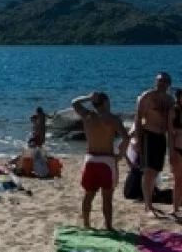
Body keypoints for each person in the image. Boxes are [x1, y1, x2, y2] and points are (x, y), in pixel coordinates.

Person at [72, 92, 128, 230]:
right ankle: (108, 226)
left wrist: (87, 97)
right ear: (106, 102)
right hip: (107, 160)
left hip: (90, 158)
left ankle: (86, 224)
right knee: (107, 196)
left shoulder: (87, 116)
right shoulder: (113, 119)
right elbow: (126, 138)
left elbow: (74, 102)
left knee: (89, 194)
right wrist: (121, 153)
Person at [133, 72, 174, 215]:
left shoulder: (170, 100)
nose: (160, 84)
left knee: (155, 171)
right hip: (148, 135)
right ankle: (148, 205)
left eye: (163, 81)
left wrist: (172, 147)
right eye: (158, 81)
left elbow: (171, 125)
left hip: (161, 137)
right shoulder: (147, 97)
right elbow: (138, 119)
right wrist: (138, 140)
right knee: (148, 170)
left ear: (169, 84)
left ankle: (150, 201)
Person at [169, 89, 182, 216]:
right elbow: (171, 134)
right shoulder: (174, 111)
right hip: (178, 148)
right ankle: (175, 207)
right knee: (178, 180)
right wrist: (171, 151)